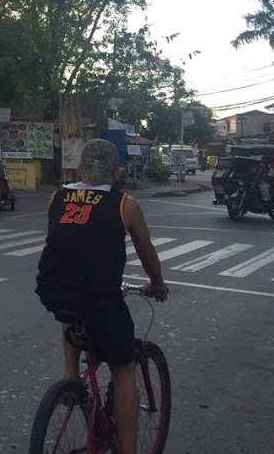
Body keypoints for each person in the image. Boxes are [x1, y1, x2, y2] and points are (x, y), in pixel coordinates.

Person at [35, 139, 168, 454]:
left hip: (52, 291)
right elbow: (146, 252)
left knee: (69, 308)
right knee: (123, 368)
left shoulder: (57, 197)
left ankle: (72, 380)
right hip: (100, 299)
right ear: (117, 173)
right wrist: (157, 282)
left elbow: (68, 244)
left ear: (79, 169)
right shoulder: (125, 205)